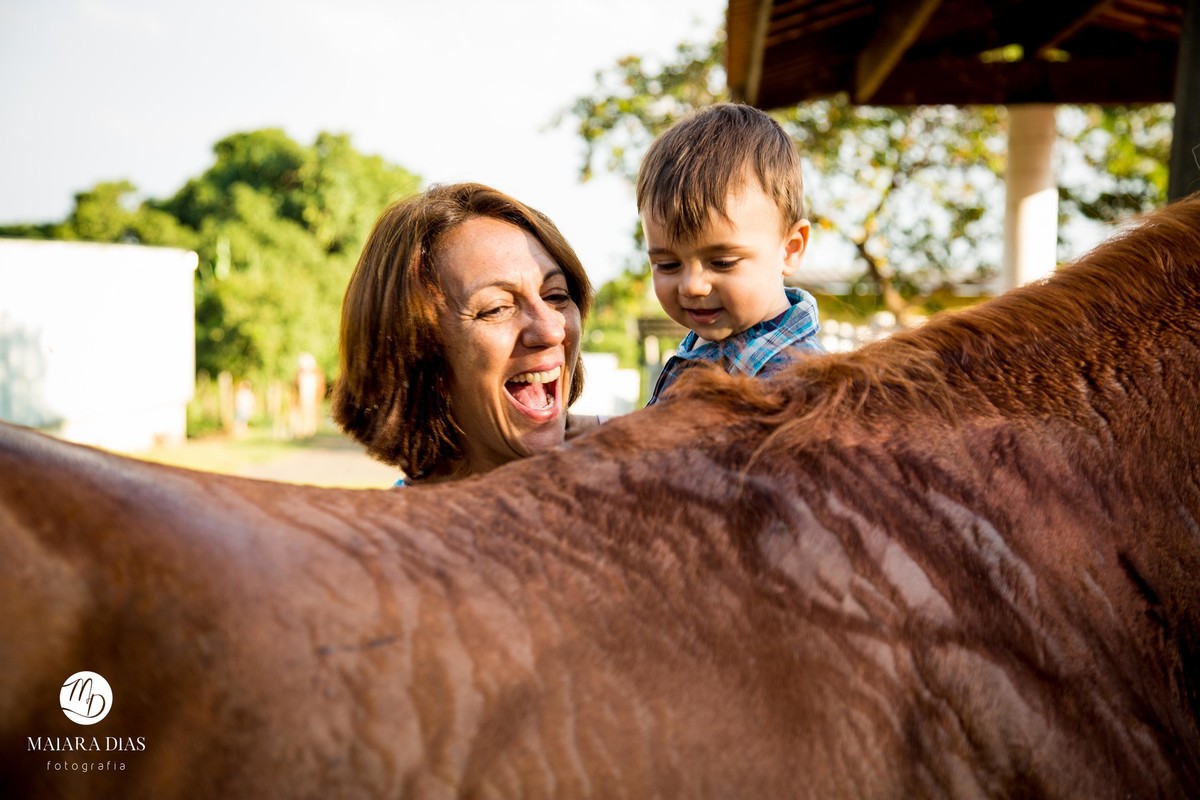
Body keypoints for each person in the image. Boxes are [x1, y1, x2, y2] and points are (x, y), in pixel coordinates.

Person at [332, 183, 594, 486]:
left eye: (556, 296)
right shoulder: (398, 533)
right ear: (415, 352)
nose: (550, 329)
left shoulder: (624, 501)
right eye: (496, 308)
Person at [637, 103, 823, 406]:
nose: (692, 286)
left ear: (790, 250)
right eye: (667, 264)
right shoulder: (711, 342)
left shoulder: (791, 387)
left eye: (722, 262)